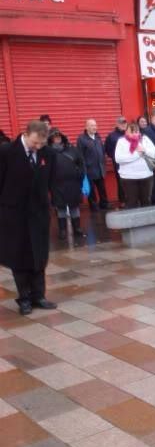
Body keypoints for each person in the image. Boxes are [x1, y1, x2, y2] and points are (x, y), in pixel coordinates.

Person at [0, 120, 57, 315]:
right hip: (14, 215)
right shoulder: (6, 152)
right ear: (26, 134)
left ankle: (39, 296)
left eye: (42, 143)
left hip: (39, 214)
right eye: (35, 143)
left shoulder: (47, 153)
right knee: (19, 257)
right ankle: (24, 298)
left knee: (39, 257)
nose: (38, 147)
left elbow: (52, 181)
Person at [47, 129, 86, 240]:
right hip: (57, 185)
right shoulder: (48, 152)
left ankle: (77, 228)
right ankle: (62, 230)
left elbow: (81, 163)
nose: (57, 138)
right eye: (55, 137)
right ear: (51, 139)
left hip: (73, 183)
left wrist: (80, 175)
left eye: (59, 136)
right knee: (61, 208)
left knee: (74, 206)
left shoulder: (72, 149)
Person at [115, 121, 155, 209]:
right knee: (131, 203)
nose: (135, 133)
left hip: (146, 176)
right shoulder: (121, 141)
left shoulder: (145, 139)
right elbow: (119, 159)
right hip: (129, 178)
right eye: (132, 131)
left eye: (136, 131)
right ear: (126, 132)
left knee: (146, 202)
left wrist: (144, 150)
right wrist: (137, 155)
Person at [77, 118, 109, 212]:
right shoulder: (81, 139)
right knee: (91, 191)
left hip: (100, 169)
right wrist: (83, 169)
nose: (94, 127)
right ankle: (94, 207)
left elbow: (102, 152)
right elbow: (80, 156)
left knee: (102, 189)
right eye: (92, 125)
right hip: (89, 170)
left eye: (95, 125)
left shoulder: (98, 137)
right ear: (86, 127)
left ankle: (104, 204)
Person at [104, 116, 128, 206]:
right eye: (121, 123)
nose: (123, 125)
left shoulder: (129, 133)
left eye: (125, 123)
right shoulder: (111, 136)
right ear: (117, 124)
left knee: (131, 181)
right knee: (121, 182)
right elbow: (107, 149)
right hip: (119, 163)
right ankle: (123, 201)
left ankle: (132, 199)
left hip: (131, 162)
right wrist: (115, 157)